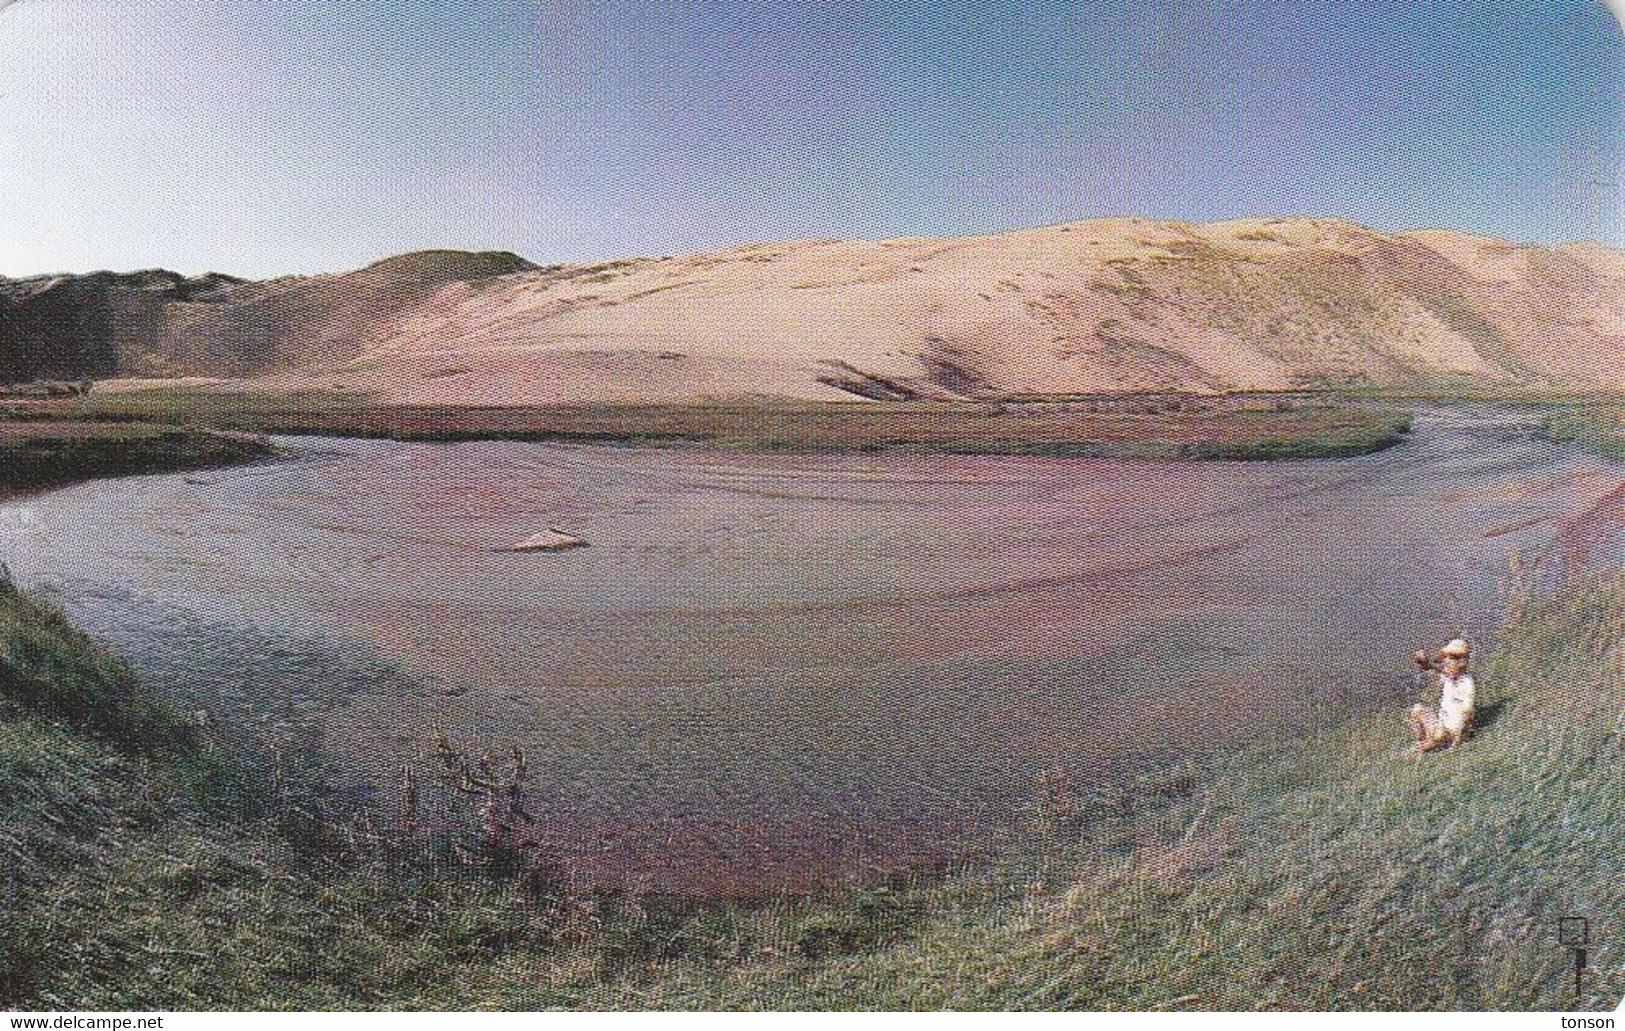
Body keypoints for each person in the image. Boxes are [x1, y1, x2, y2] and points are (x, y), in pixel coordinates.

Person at [1409, 638, 1476, 752]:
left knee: (1439, 734)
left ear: (1461, 663)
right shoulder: (1449, 676)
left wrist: (1458, 741)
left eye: (1450, 659)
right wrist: (1423, 662)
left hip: (1452, 733)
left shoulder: (1467, 683)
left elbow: (1467, 714)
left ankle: (1422, 749)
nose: (1445, 662)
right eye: (1445, 659)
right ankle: (1421, 741)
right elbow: (1431, 668)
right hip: (1440, 727)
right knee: (1417, 709)